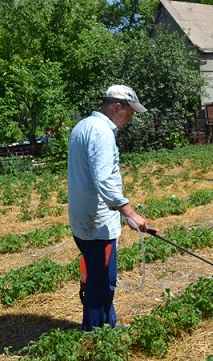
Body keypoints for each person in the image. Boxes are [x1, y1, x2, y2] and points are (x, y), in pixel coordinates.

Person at [68, 84, 148, 331]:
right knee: (101, 283)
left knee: (100, 279)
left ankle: (107, 326)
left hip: (84, 219)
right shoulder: (102, 132)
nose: (130, 119)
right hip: (97, 224)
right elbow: (104, 180)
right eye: (130, 113)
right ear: (117, 107)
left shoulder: (82, 126)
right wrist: (130, 213)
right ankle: (93, 335)